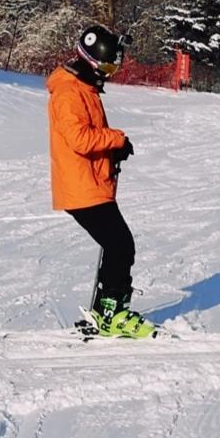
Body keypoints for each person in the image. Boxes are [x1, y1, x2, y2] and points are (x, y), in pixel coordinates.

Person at [49, 24, 155, 338]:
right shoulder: (69, 92)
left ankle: (105, 310)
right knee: (121, 245)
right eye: (109, 65)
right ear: (92, 60)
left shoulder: (83, 88)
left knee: (117, 245)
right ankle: (112, 315)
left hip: (91, 182)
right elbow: (80, 139)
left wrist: (113, 153)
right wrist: (116, 140)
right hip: (81, 187)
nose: (111, 72)